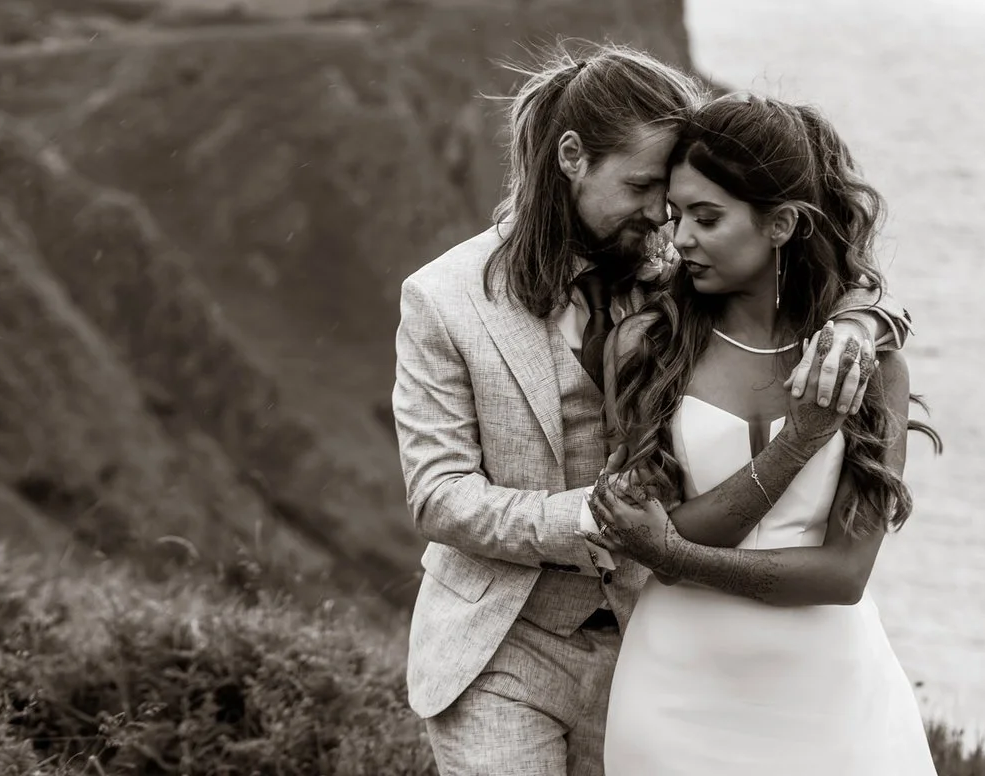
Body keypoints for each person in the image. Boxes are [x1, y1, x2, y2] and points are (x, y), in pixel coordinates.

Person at [391, 45, 913, 776]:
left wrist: (863, 325)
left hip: (651, 644)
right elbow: (439, 496)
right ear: (572, 157)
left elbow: (817, 281)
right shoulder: (443, 299)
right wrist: (598, 520)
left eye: (671, 200)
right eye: (641, 187)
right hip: (504, 645)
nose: (659, 219)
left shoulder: (675, 274)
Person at [587, 92, 942, 775]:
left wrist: (683, 555)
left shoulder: (870, 364)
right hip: (676, 697)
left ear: (779, 225)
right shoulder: (646, 346)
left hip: (834, 705)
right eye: (677, 215)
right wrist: (800, 441)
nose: (681, 238)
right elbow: (651, 537)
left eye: (707, 217)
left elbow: (844, 575)